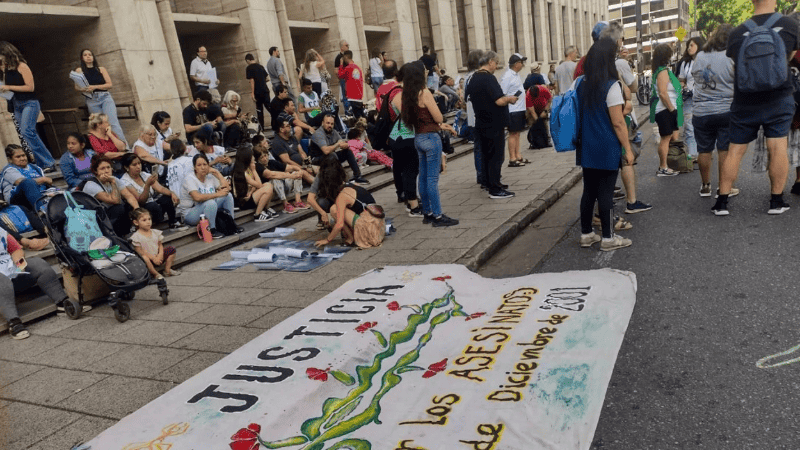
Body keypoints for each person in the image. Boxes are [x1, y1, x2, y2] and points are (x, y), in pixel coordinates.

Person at [714, 1, 799, 216]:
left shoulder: (737, 32)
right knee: (777, 146)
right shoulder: (789, 25)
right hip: (779, 97)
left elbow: (737, 63)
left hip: (745, 99)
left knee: (735, 150)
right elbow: (792, 56)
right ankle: (776, 202)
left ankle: (722, 202)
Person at [575, 38, 633, 252]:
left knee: (589, 191)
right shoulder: (611, 85)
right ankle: (608, 238)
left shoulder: (581, 83)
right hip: (607, 145)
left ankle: (586, 234)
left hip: (587, 145)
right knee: (606, 193)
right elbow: (618, 123)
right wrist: (626, 149)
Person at [402, 62, 459, 227]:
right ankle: (438, 216)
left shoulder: (408, 95)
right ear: (420, 74)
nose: (427, 72)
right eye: (425, 70)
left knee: (424, 177)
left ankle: (427, 213)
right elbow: (439, 118)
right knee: (433, 179)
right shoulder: (424, 92)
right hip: (431, 138)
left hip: (418, 137)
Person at [0, 227, 81, 340]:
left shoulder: (1, 231)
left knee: (39, 265)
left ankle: (62, 302)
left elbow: (16, 250)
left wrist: (20, 264)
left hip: (11, 272)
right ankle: (13, 322)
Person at [691, 24, 737, 200]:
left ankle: (705, 186)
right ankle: (723, 188)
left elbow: (695, 77)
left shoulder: (700, 56)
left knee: (704, 150)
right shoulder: (731, 56)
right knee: (724, 150)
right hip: (726, 110)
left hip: (701, 111)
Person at [466, 51, 518, 199]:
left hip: (481, 123)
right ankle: (495, 189)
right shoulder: (488, 78)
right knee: (496, 156)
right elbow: (499, 100)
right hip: (493, 124)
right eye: (496, 63)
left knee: (486, 155)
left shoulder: (473, 78)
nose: (497, 66)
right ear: (490, 62)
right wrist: (510, 99)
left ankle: (490, 183)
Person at [0, 42, 56, 171]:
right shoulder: (6, 69)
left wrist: (8, 87)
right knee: (27, 134)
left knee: (27, 131)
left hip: (29, 102)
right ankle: (41, 164)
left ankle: (49, 162)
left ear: (5, 52)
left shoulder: (22, 65)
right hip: (16, 104)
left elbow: (30, 87)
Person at [313, 161, 385, 249]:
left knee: (334, 209)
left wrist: (327, 240)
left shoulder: (342, 196)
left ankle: (351, 239)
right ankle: (354, 234)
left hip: (370, 233)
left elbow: (339, 224)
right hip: (379, 228)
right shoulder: (353, 185)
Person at [74, 49, 127, 145]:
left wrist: (94, 87)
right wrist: (85, 89)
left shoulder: (101, 69)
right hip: (91, 99)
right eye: (85, 55)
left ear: (93, 57)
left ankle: (124, 146)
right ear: (82, 58)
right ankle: (105, 148)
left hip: (105, 97)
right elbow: (76, 87)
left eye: (90, 54)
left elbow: (109, 84)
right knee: (98, 125)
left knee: (113, 123)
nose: (88, 56)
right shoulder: (79, 70)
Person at [120, 153, 184, 230]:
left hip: (152, 204)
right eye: (134, 165)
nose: (138, 166)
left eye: (139, 163)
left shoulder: (144, 175)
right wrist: (147, 185)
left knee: (167, 197)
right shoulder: (124, 181)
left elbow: (160, 189)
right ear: (126, 167)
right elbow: (141, 201)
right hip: (140, 208)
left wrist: (172, 193)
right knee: (152, 205)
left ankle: (173, 222)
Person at [178, 153, 234, 239]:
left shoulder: (210, 176)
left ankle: (231, 224)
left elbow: (226, 189)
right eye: (199, 165)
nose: (203, 167)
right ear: (194, 167)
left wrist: (217, 172)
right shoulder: (189, 179)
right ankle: (212, 230)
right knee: (210, 203)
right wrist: (217, 194)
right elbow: (197, 197)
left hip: (206, 208)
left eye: (205, 164)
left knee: (228, 196)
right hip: (190, 214)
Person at [82, 155, 139, 237]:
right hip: (96, 219)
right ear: (96, 171)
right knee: (119, 207)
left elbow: (129, 196)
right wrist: (112, 182)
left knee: (129, 206)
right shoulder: (91, 184)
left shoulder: (114, 179)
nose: (106, 171)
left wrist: (137, 211)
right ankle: (116, 235)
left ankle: (126, 233)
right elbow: (115, 200)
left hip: (110, 215)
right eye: (102, 168)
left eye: (108, 167)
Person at [650, 43, 682, 177]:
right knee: (665, 138)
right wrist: (672, 109)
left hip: (667, 109)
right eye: (670, 53)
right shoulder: (662, 71)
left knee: (672, 137)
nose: (672, 55)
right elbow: (663, 93)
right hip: (665, 109)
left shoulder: (661, 70)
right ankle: (663, 167)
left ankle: (669, 164)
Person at [310, 114, 369, 185]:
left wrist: (344, 145)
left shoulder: (333, 132)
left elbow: (345, 144)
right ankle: (341, 180)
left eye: (332, 124)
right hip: (317, 159)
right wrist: (337, 144)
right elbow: (326, 151)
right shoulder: (319, 134)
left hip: (330, 156)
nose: (330, 126)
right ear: (322, 123)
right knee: (332, 155)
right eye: (327, 123)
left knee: (347, 152)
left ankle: (357, 176)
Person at [253, 146, 307, 215]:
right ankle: (285, 204)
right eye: (261, 157)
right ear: (258, 159)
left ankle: (298, 201)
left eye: (265, 156)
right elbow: (272, 175)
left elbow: (291, 167)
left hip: (283, 188)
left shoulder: (272, 162)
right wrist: (291, 176)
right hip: (271, 193)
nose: (265, 159)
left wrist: (300, 170)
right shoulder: (258, 166)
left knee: (296, 174)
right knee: (275, 179)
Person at [677, 37, 706, 160]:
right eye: (688, 45)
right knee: (689, 126)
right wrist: (683, 87)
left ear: (699, 46)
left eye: (692, 45)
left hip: (703, 99)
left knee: (703, 126)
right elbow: (682, 79)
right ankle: (693, 154)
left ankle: (704, 151)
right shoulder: (685, 63)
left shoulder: (705, 60)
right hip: (689, 99)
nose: (689, 48)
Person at [130, 208, 179, 279]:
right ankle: (156, 274)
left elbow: (160, 245)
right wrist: (153, 258)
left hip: (159, 257)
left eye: (149, 219)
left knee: (171, 249)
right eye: (144, 220)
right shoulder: (136, 237)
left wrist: (160, 255)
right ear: (136, 222)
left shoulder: (155, 232)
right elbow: (141, 252)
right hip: (149, 260)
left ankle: (167, 270)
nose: (148, 222)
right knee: (144, 258)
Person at [231, 145, 277, 221]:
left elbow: (255, 186)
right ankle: (257, 215)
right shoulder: (241, 172)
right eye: (251, 155)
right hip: (244, 202)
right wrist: (254, 170)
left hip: (250, 195)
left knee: (268, 184)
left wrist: (251, 191)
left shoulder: (247, 168)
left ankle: (265, 209)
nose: (253, 157)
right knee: (267, 188)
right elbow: (259, 185)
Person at [2, 144, 51, 213]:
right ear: (10, 159)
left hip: (39, 195)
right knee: (27, 183)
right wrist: (43, 179)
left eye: (23, 155)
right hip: (16, 198)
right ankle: (42, 212)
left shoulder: (36, 168)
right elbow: (22, 182)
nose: (22, 158)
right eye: (18, 157)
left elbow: (48, 184)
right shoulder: (9, 170)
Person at [501, 53, 529, 168]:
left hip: (519, 108)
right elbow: (503, 93)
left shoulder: (515, 75)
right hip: (512, 109)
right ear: (516, 64)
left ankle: (518, 155)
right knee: (513, 134)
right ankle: (512, 158)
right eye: (521, 62)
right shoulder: (508, 76)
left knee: (517, 133)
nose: (522, 65)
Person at [464, 50, 485, 187]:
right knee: (483, 147)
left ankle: (480, 174)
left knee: (478, 147)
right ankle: (483, 175)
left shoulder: (467, 77)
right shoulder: (479, 76)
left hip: (472, 117)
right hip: (480, 115)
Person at [245, 53, 270, 130]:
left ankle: (262, 128)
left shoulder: (249, 68)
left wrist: (252, 93)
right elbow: (267, 78)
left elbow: (252, 81)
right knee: (270, 108)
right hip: (265, 90)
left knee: (259, 110)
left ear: (248, 60)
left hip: (257, 92)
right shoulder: (261, 66)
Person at [338, 51, 365, 118]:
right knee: (361, 115)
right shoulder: (357, 68)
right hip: (359, 95)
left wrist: (341, 65)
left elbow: (340, 75)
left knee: (357, 117)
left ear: (346, 57)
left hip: (352, 96)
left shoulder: (348, 68)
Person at [525, 83, 552, 149]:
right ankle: (534, 141)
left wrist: (545, 111)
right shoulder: (528, 95)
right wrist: (537, 121)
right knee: (533, 123)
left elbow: (550, 100)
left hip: (542, 107)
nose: (535, 98)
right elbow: (532, 112)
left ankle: (547, 140)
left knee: (544, 123)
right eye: (534, 97)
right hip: (532, 109)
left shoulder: (544, 90)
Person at [334, 41, 351, 111]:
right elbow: (335, 71)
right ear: (342, 47)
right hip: (344, 79)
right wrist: (341, 78)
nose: (348, 46)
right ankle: (348, 112)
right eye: (346, 45)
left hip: (350, 78)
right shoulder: (338, 57)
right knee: (345, 96)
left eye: (348, 45)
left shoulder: (348, 56)